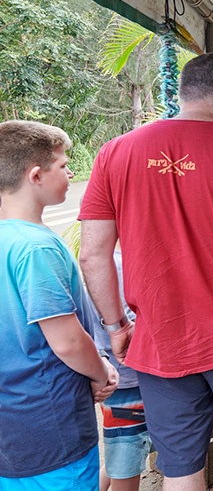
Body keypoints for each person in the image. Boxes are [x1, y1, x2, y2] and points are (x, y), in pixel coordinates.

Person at [78, 53, 213, 491]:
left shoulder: (114, 153)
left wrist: (116, 325)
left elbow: (93, 256)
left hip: (161, 340)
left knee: (179, 466)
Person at [0, 120, 119, 490]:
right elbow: (66, 340)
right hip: (51, 427)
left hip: (11, 429)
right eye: (64, 165)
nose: (71, 173)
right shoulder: (35, 247)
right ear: (35, 175)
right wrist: (102, 373)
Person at [76, 251, 152, 491]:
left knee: (121, 453)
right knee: (125, 465)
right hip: (128, 383)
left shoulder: (110, 261)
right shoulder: (119, 263)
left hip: (123, 379)